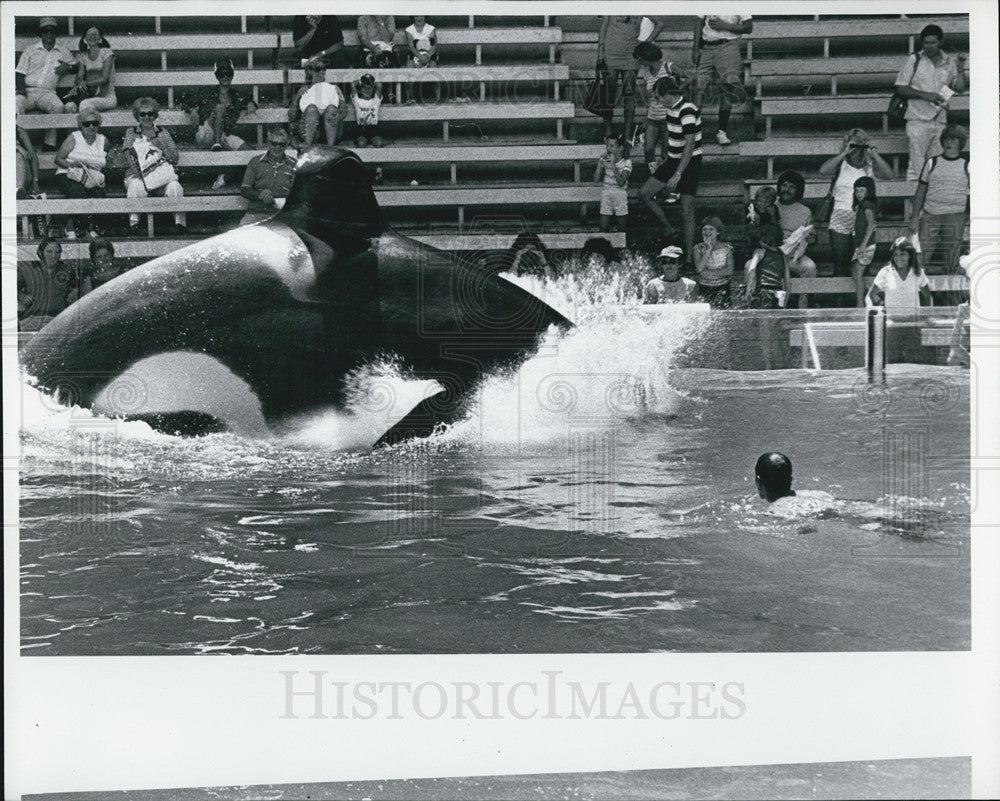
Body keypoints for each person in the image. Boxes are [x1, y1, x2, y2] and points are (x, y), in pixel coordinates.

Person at [638, 74, 702, 265]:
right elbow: (675, 141)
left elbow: (689, 145)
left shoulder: (687, 110)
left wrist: (678, 174)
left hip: (690, 163)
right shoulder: (670, 110)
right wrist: (666, 162)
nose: (657, 101)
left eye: (658, 97)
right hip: (673, 160)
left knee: (687, 210)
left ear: (667, 94)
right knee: (644, 194)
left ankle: (689, 257)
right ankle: (669, 229)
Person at [894, 24, 968, 181]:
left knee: (935, 165)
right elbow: (901, 88)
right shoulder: (914, 59)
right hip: (917, 119)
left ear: (940, 42)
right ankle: (914, 203)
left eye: (932, 42)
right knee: (916, 166)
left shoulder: (949, 63)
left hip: (939, 120)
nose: (929, 46)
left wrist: (960, 69)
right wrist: (927, 95)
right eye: (926, 43)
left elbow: (959, 88)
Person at [818, 128, 893, 278]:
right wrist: (844, 153)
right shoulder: (841, 164)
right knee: (840, 261)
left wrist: (874, 154)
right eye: (852, 143)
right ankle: (839, 300)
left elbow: (889, 175)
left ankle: (860, 298)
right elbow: (823, 171)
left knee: (863, 262)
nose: (855, 148)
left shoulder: (870, 165)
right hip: (841, 213)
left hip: (863, 216)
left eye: (859, 144)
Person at [908, 124, 969, 275]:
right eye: (947, 139)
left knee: (952, 262)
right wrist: (915, 217)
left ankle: (949, 297)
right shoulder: (932, 162)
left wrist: (968, 217)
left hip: (956, 215)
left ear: (960, 143)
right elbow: (920, 191)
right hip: (931, 215)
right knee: (920, 258)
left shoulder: (967, 165)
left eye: (954, 140)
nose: (949, 143)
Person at [122, 97, 186, 234]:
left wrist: (161, 146)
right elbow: (127, 154)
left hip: (160, 177)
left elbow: (175, 157)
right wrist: (140, 174)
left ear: (155, 115)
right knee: (136, 186)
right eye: (142, 114)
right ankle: (134, 225)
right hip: (138, 175)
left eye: (150, 113)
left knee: (175, 187)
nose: (146, 117)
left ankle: (180, 225)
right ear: (137, 116)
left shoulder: (163, 133)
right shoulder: (131, 132)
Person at [597, 15, 665, 139]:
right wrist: (600, 51)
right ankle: (608, 130)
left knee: (629, 95)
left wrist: (645, 44)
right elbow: (604, 26)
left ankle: (628, 133)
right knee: (608, 94)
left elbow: (660, 23)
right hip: (610, 53)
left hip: (631, 57)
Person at [15, 17, 77, 150]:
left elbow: (76, 66)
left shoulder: (62, 51)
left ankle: (49, 144)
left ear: (56, 33)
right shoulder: (30, 50)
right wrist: (21, 89)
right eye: (46, 31)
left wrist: (69, 68)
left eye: (52, 31)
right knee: (16, 103)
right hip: (28, 91)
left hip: (48, 93)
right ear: (41, 33)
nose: (49, 34)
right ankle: (22, 142)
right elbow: (19, 73)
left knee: (58, 105)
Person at [691, 14, 752, 145]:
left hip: (728, 46)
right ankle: (692, 131)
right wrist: (695, 48)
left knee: (727, 89)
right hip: (707, 47)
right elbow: (698, 23)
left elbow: (748, 27)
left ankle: (721, 132)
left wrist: (724, 26)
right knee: (698, 87)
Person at [54, 109, 111, 240]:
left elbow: (110, 155)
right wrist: (73, 166)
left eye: (94, 123)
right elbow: (58, 159)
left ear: (99, 125)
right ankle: (74, 228)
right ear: (81, 125)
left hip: (90, 178)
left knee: (98, 193)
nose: (91, 127)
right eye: (87, 124)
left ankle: (93, 228)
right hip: (67, 174)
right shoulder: (74, 137)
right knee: (77, 190)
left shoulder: (103, 140)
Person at [17, 238, 81, 330]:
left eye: (57, 252)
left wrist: (76, 290)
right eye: (49, 252)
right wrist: (21, 295)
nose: (54, 256)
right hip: (32, 318)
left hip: (58, 319)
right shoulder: (29, 269)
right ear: (41, 253)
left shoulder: (67, 270)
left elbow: (82, 285)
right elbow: (10, 288)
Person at [239, 125, 297, 225]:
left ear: (287, 145)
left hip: (283, 214)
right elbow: (244, 190)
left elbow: (299, 193)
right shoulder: (256, 161)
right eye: (274, 143)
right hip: (256, 212)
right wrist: (260, 195)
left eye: (281, 144)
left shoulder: (294, 164)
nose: (277, 147)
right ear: (268, 143)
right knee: (241, 232)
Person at [633, 41, 677, 173]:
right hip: (653, 116)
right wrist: (647, 118)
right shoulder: (646, 72)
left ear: (646, 56)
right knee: (648, 150)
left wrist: (676, 91)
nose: (639, 62)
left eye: (640, 59)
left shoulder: (668, 67)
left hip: (668, 117)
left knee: (666, 153)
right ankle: (653, 176)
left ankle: (664, 183)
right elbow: (649, 99)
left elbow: (690, 78)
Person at [289, 60, 347, 149]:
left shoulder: (334, 88)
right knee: (311, 109)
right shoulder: (303, 90)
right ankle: (307, 144)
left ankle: (330, 147)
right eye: (318, 69)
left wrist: (338, 117)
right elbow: (292, 116)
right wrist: (297, 97)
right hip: (309, 132)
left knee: (331, 109)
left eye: (324, 69)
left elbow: (344, 109)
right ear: (310, 71)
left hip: (329, 132)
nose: (322, 72)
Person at [866, 236, 932, 313]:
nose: (898, 258)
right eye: (896, 254)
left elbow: (927, 297)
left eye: (902, 254)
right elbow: (871, 295)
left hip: (912, 321)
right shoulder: (886, 272)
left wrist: (925, 315)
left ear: (910, 255)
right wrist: (883, 307)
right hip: (891, 321)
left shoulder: (918, 272)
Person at [774, 171, 817, 281]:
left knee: (810, 267)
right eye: (784, 185)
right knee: (748, 266)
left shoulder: (805, 211)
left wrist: (811, 239)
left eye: (791, 187)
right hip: (771, 256)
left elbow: (812, 237)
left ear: (798, 190)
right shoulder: (770, 206)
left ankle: (805, 299)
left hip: (793, 257)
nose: (786, 190)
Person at [71, 25, 116, 115]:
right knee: (69, 106)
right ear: (85, 38)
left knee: (85, 104)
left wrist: (86, 83)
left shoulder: (107, 52)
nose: (92, 37)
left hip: (107, 97)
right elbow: (79, 80)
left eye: (95, 34)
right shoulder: (83, 56)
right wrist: (79, 65)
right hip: (89, 95)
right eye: (89, 34)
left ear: (100, 38)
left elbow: (104, 78)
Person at [743, 223, 787, 309]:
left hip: (762, 291)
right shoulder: (783, 255)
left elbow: (751, 269)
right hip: (778, 292)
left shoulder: (759, 252)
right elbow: (787, 281)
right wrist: (785, 301)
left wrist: (749, 290)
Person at [692, 216, 733, 308]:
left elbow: (729, 270)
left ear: (718, 231)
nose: (707, 232)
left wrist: (707, 273)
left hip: (723, 287)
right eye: (704, 229)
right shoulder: (697, 248)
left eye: (711, 229)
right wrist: (708, 250)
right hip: (704, 287)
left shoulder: (727, 248)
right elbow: (699, 268)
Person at [594, 133, 632, 233]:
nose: (608, 148)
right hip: (606, 193)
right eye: (607, 145)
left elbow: (621, 182)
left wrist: (613, 166)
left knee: (621, 228)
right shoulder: (606, 161)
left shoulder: (627, 163)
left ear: (620, 148)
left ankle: (623, 248)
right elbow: (596, 179)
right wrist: (599, 163)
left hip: (620, 194)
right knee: (603, 228)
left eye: (611, 146)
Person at [850, 177, 878, 307]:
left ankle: (860, 304)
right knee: (856, 274)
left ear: (869, 191)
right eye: (857, 191)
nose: (859, 194)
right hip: (861, 245)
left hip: (866, 245)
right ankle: (871, 299)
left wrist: (863, 245)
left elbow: (871, 224)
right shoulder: (860, 206)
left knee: (858, 273)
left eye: (862, 190)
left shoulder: (867, 205)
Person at [350, 74, 384, 147]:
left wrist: (373, 83)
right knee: (361, 143)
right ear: (360, 88)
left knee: (379, 143)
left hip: (373, 128)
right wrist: (359, 81)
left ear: (373, 89)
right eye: (364, 88)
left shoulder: (376, 100)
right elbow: (352, 85)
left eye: (369, 88)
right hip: (361, 128)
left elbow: (380, 85)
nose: (367, 90)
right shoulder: (357, 100)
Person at [16, 124, 42, 199]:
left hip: (21, 173)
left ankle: (19, 189)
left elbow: (33, 156)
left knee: (18, 156)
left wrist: (35, 181)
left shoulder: (19, 131)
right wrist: (15, 147)